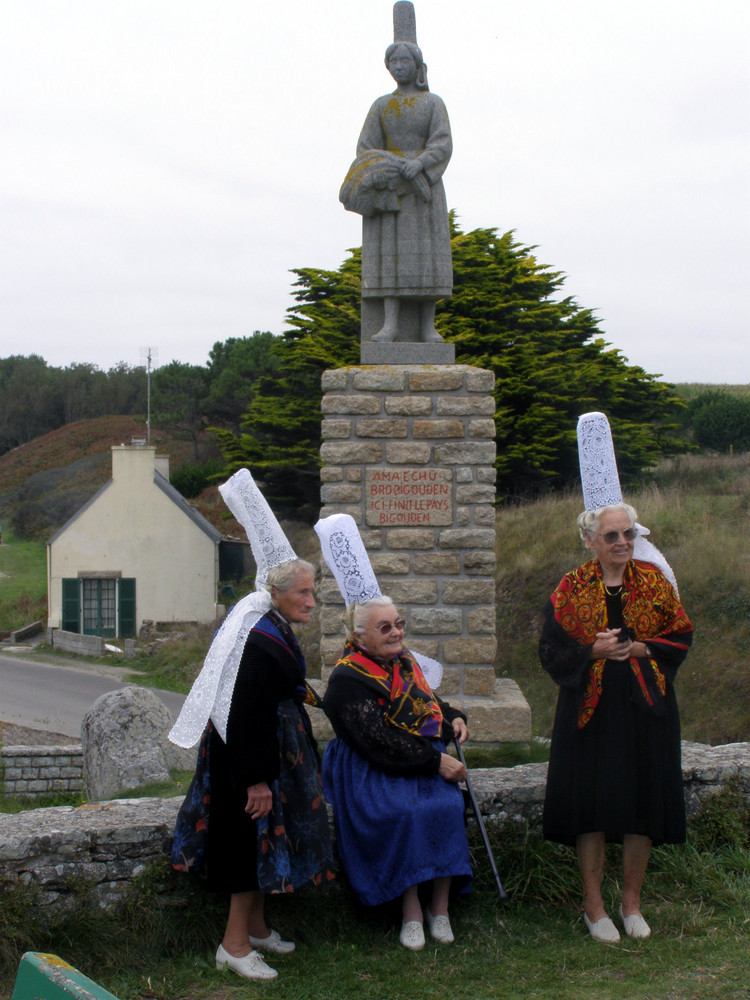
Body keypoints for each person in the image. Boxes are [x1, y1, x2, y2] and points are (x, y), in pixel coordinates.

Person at [541, 502, 693, 943]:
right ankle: (593, 906)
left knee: (641, 803)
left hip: (647, 707)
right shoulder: (570, 587)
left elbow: (681, 635)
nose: (623, 542)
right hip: (589, 710)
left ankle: (631, 903)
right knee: (590, 804)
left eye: (628, 534)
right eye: (612, 536)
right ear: (591, 541)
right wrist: (593, 651)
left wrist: (642, 648)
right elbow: (549, 651)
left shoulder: (655, 582)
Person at [205, 559, 334, 980]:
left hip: (269, 752)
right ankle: (233, 945)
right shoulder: (257, 641)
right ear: (275, 593)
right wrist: (255, 780)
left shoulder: (269, 626)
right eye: (303, 593)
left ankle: (256, 930)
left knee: (265, 839)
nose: (311, 602)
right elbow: (245, 712)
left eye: (312, 592)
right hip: (248, 759)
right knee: (249, 840)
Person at [322, 595, 471, 951]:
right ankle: (411, 910)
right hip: (371, 764)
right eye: (385, 627)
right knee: (406, 811)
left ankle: (441, 908)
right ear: (359, 638)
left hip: (415, 755)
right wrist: (438, 762)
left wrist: (454, 716)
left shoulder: (404, 662)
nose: (396, 633)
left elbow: (428, 702)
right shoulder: (348, 677)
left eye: (399, 624)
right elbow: (378, 742)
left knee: (448, 806)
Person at [340, 39, 452, 343]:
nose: (399, 66)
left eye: (405, 60)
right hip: (392, 194)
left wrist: (420, 164)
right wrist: (388, 169)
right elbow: (366, 149)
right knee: (391, 258)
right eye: (394, 62)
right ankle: (390, 325)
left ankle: (427, 328)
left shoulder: (433, 103)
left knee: (426, 258)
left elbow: (442, 143)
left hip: (424, 190)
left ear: (417, 66)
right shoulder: (381, 106)